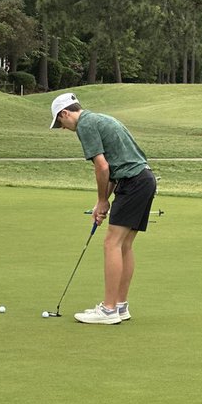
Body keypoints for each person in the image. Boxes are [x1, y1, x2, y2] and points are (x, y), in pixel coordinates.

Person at [49, 92, 157, 325]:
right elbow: (110, 168)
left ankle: (108, 310)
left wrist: (101, 200)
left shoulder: (85, 125)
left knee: (112, 243)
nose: (64, 128)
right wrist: (103, 201)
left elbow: (102, 167)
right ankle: (119, 305)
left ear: (65, 113)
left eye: (60, 123)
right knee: (124, 244)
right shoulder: (100, 119)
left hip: (133, 182)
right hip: (144, 180)